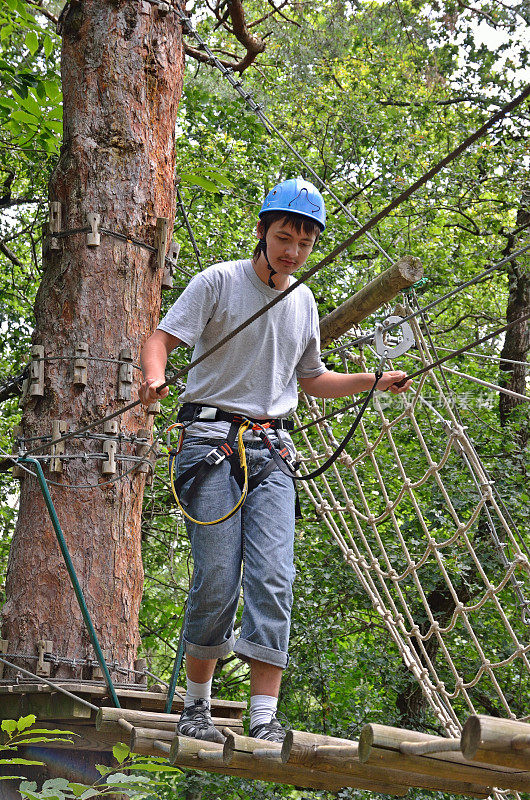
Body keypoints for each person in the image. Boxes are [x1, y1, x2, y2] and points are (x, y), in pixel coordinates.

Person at [139, 178, 412, 744]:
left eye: (303, 244)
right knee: (217, 576)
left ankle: (263, 714)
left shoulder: (303, 300)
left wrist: (374, 380)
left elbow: (311, 379)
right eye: (284, 237)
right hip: (210, 443)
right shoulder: (219, 281)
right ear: (262, 232)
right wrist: (154, 376)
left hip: (272, 450)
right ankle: (196, 706)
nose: (292, 251)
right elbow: (162, 337)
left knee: (274, 578)